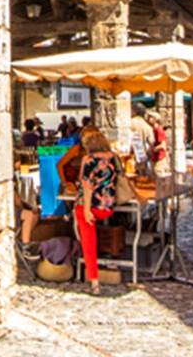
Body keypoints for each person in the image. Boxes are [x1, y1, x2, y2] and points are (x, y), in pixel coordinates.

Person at [74, 126, 121, 294]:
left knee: (89, 242)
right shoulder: (114, 158)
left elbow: (87, 186)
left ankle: (94, 281)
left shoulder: (89, 160)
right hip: (108, 207)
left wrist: (86, 209)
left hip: (90, 207)